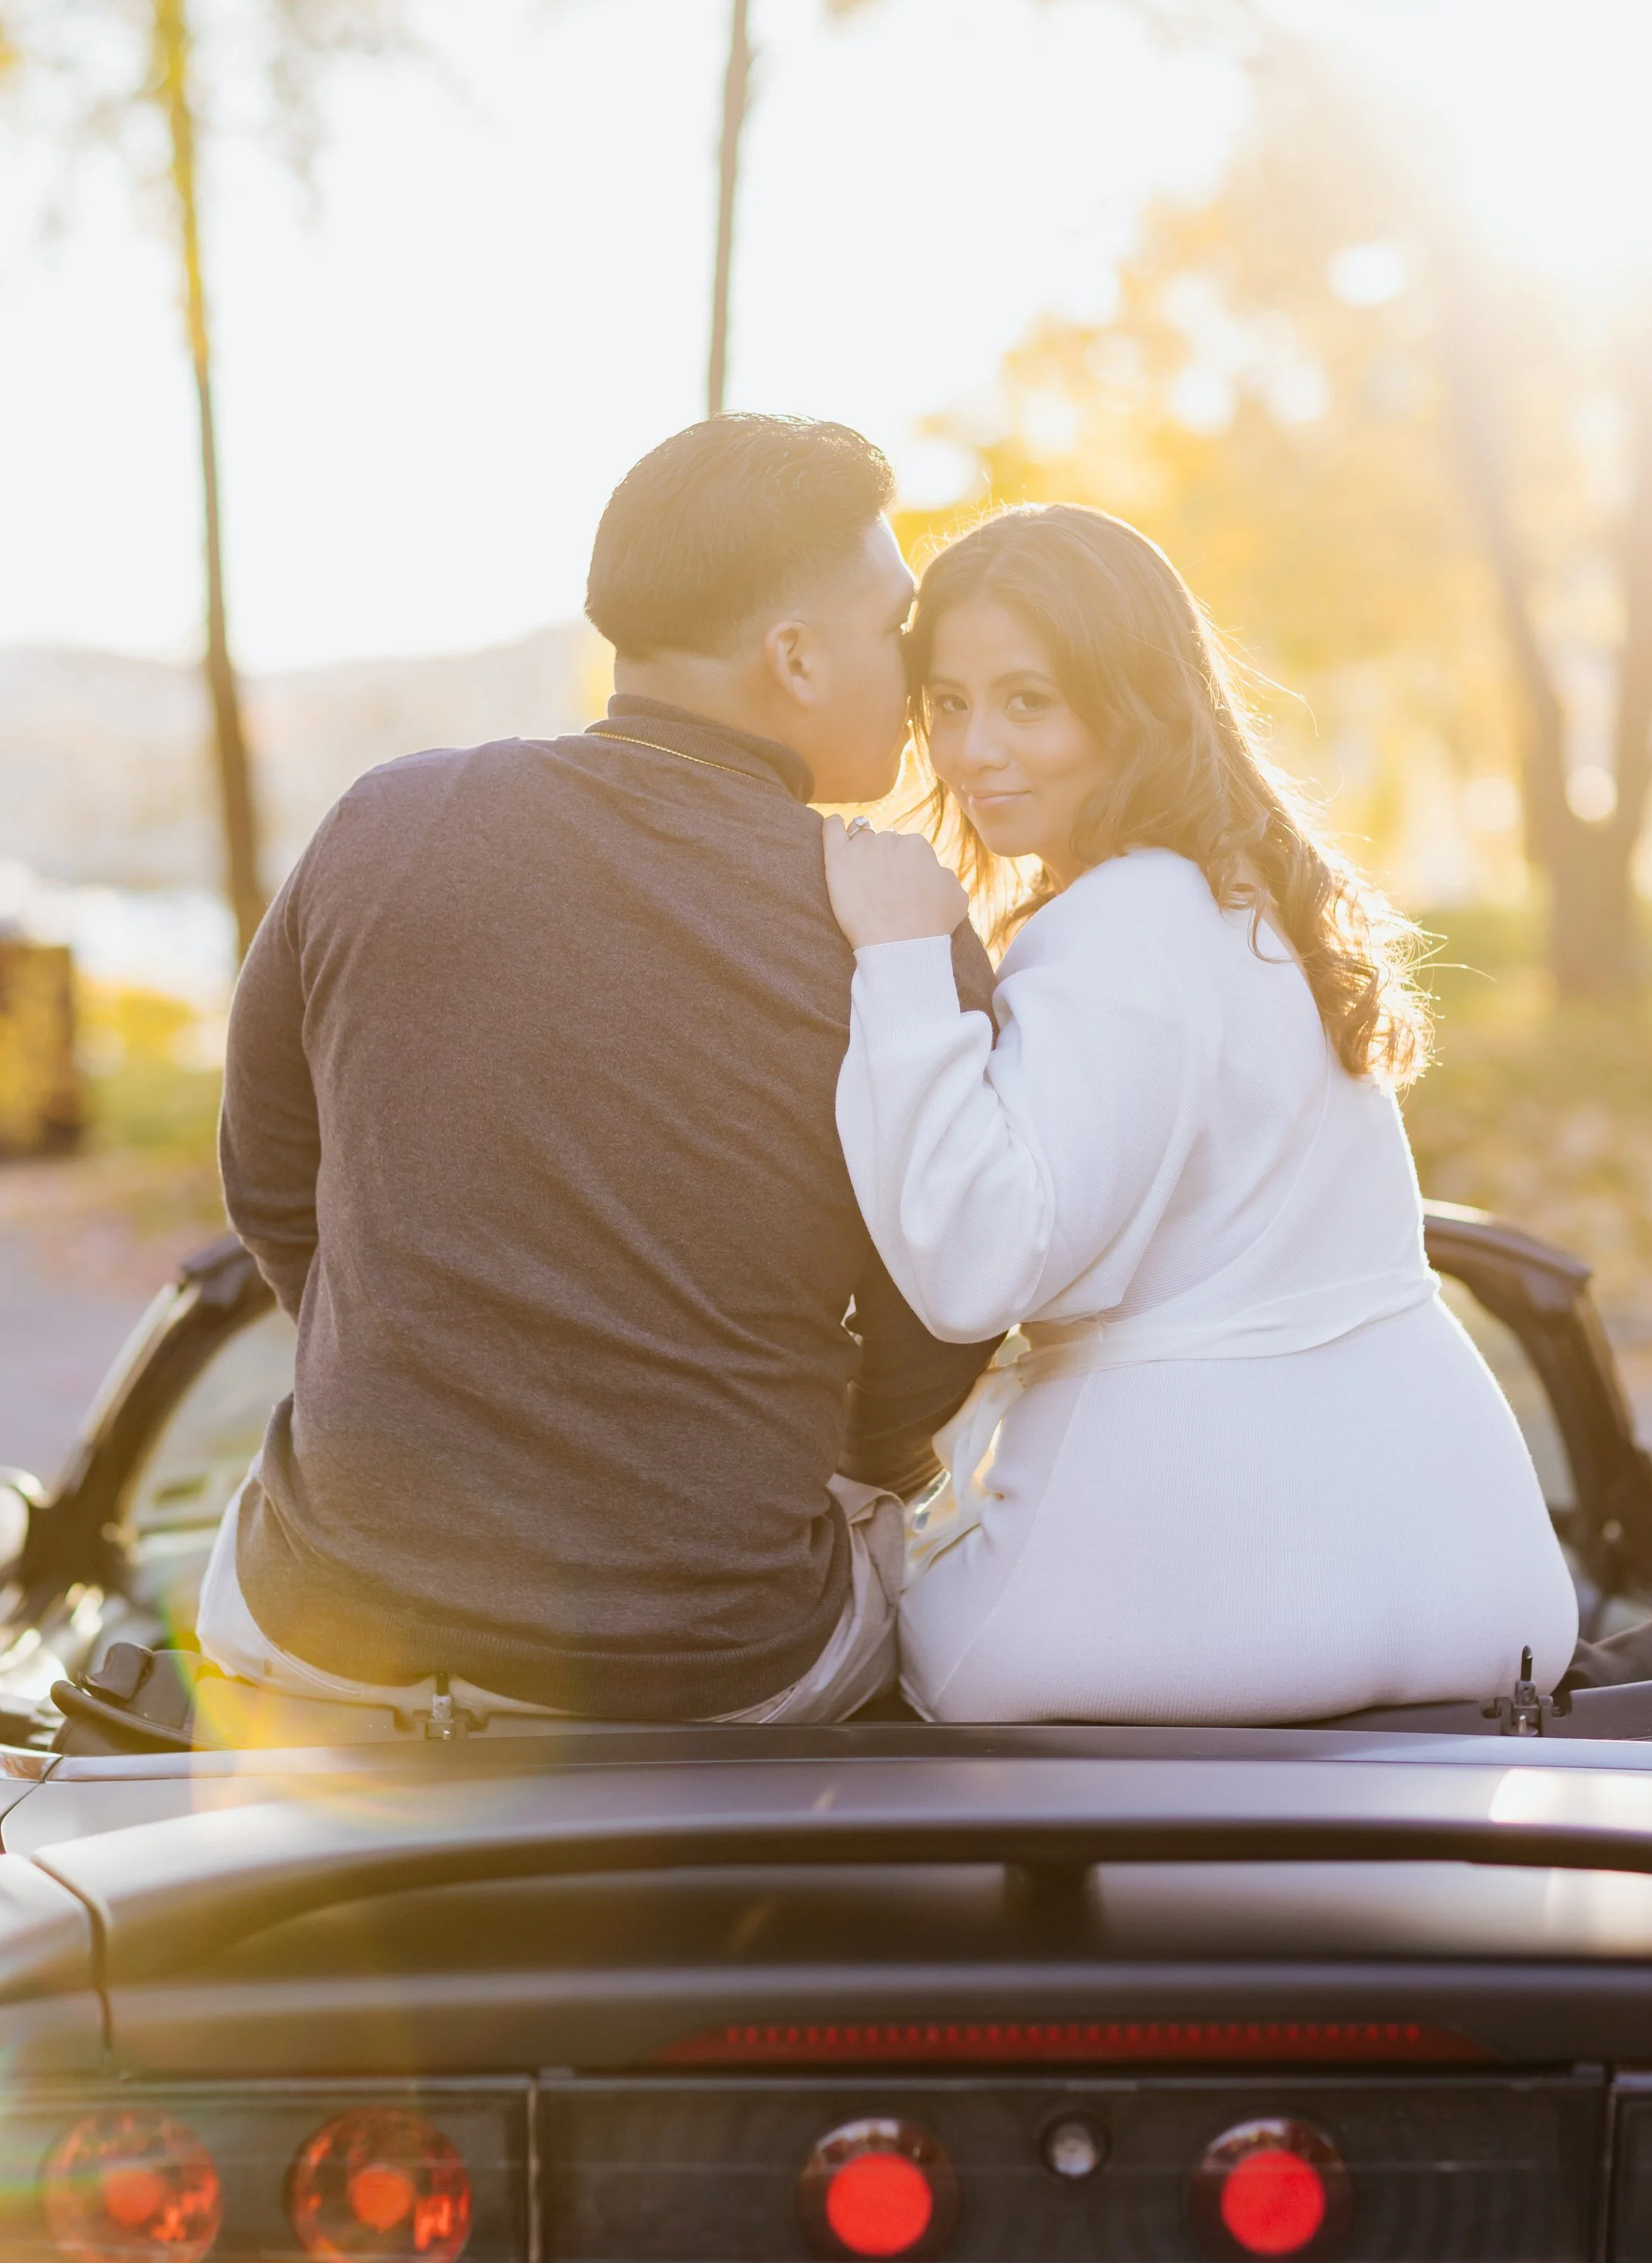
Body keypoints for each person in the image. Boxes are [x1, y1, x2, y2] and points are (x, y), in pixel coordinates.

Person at [200, 414, 998, 1726]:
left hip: (324, 1631)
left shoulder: (384, 823)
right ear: (793, 657)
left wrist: (436, 1362)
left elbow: (274, 1184)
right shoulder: (896, 929)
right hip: (720, 1670)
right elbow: (948, 1306)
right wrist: (834, 1456)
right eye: (893, 628)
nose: (914, 671)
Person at [822, 503, 1579, 1725]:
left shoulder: (1119, 919)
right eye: (947, 704)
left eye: (1030, 700)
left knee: (847, 1622)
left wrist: (902, 961)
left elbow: (975, 1264)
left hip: (1188, 1605)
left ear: (1134, 704)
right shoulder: (1255, 900)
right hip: (1483, 1586)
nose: (974, 751)